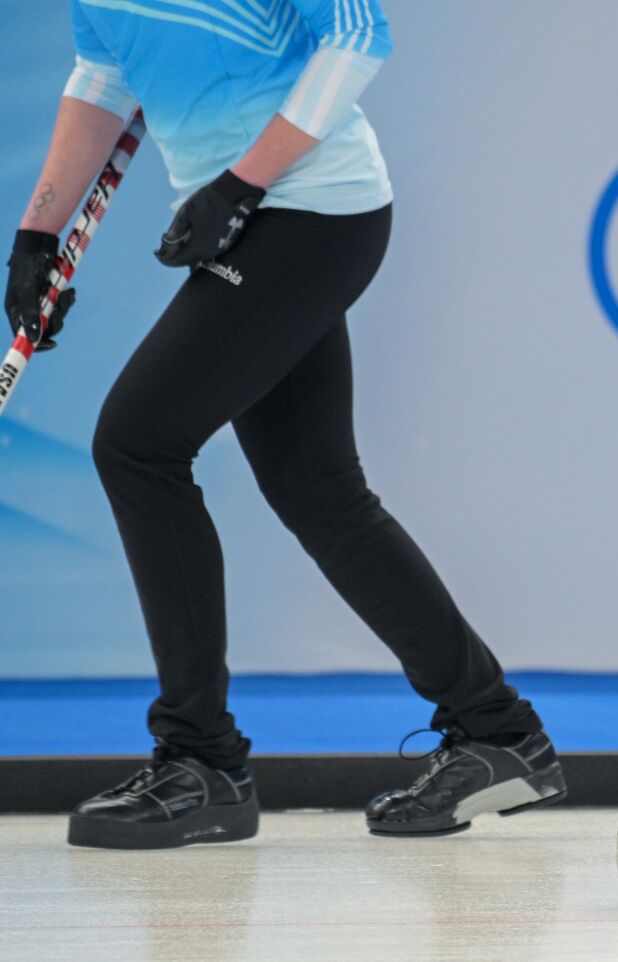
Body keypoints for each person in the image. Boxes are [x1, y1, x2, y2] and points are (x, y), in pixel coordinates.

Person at [6, 0, 564, 849]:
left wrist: (240, 181)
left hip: (312, 210)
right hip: (255, 214)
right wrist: (37, 234)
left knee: (138, 445)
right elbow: (106, 74)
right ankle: (499, 734)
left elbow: (359, 34)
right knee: (318, 491)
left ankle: (201, 761)